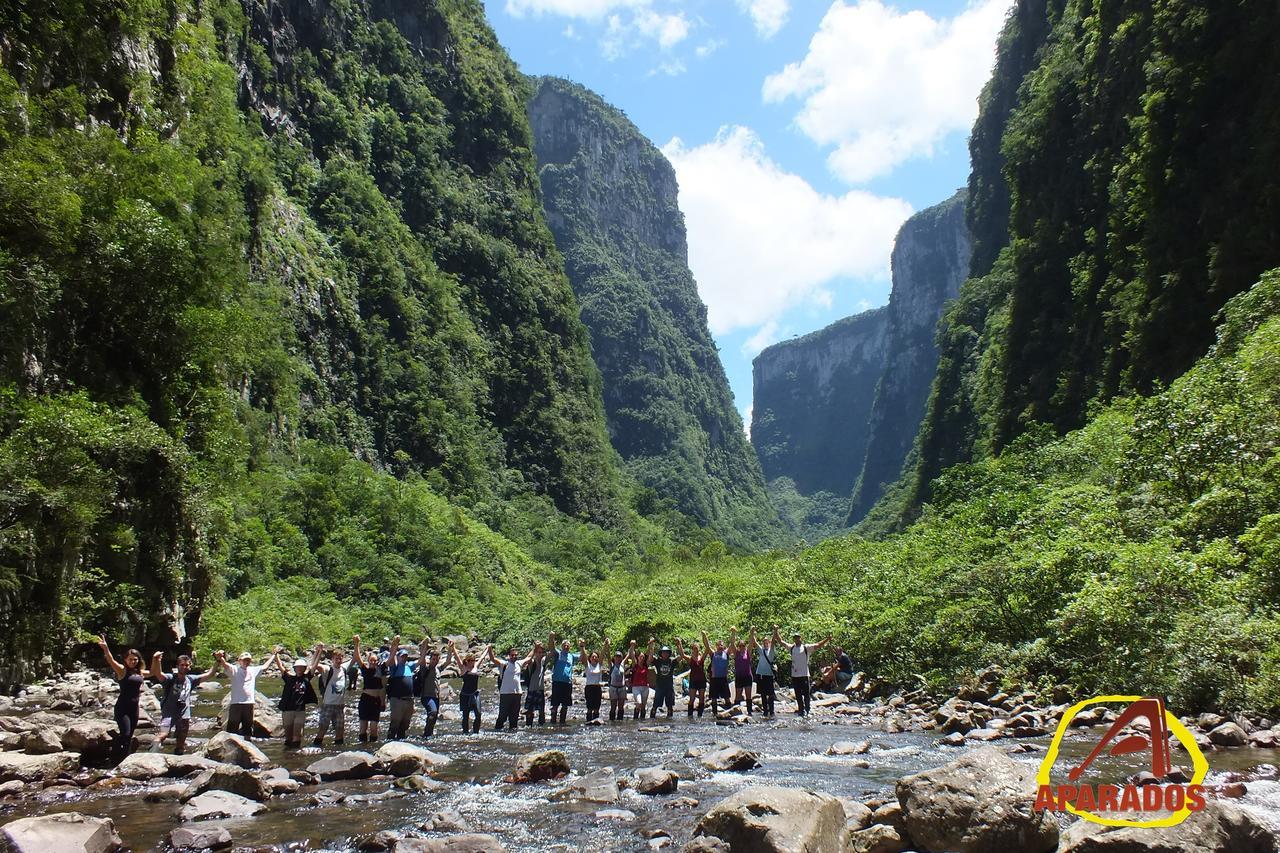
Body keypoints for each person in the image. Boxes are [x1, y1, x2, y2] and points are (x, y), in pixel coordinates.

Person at [150, 651, 219, 755]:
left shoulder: (191, 679)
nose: (184, 667)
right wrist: (156, 660)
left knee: (181, 740)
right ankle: (152, 752)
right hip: (168, 714)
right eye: (182, 665)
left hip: (184, 714)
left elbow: (210, 674)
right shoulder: (170, 678)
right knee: (163, 734)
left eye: (187, 665)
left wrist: (218, 661)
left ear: (190, 666)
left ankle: (179, 757)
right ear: (177, 666)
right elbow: (158, 674)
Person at [97, 636, 146, 760]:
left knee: (129, 737)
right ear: (125, 660)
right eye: (130, 659)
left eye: (135, 659)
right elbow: (111, 660)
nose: (133, 662)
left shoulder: (140, 672)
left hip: (134, 708)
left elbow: (155, 672)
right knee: (126, 733)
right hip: (122, 708)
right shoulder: (122, 670)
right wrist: (106, 648)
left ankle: (125, 758)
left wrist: (157, 659)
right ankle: (114, 756)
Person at [273, 645, 321, 748]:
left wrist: (319, 652)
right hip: (287, 710)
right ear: (295, 668)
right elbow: (280, 666)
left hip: (300, 711)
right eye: (298, 667)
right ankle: (288, 756)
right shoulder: (289, 678)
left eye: (302, 667)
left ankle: (295, 756)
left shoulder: (306, 678)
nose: (299, 669)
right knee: (288, 738)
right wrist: (275, 654)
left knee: (297, 736)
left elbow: (314, 665)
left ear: (304, 669)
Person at [314, 642, 359, 746]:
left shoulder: (343, 668)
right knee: (322, 730)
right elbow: (315, 666)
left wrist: (356, 643)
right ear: (332, 659)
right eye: (336, 659)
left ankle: (338, 751)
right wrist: (318, 652)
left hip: (339, 706)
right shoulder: (327, 669)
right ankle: (315, 747)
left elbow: (355, 657)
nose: (338, 661)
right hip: (328, 705)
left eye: (340, 658)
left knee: (340, 731)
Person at [216, 649, 267, 738]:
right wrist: (219, 656)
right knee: (232, 728)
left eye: (248, 660)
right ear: (239, 661)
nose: (246, 662)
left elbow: (265, 666)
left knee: (248, 727)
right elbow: (224, 664)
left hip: (249, 703)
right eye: (244, 660)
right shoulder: (234, 670)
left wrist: (274, 655)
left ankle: (248, 743)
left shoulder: (253, 670)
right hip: (236, 703)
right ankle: (230, 744)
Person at [385, 635, 427, 740]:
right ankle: (390, 741)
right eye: (402, 656)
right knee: (395, 723)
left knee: (405, 724)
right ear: (398, 657)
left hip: (409, 700)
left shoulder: (410, 666)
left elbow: (421, 660)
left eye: (405, 656)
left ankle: (401, 741)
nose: (404, 658)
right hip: (397, 700)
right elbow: (391, 656)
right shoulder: (394, 667)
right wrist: (395, 644)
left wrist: (424, 646)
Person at [788, 629, 832, 717]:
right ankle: (801, 710)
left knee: (806, 694)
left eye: (798, 637)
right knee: (798, 694)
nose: (796, 639)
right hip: (795, 675)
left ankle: (807, 710)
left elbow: (818, 645)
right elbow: (781, 642)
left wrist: (827, 639)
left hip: (804, 675)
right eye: (795, 638)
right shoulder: (792, 648)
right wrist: (776, 631)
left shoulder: (806, 648)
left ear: (801, 638)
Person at [353, 635, 386, 743]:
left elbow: (390, 659)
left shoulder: (380, 671)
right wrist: (356, 643)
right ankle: (363, 746)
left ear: (377, 661)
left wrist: (394, 645)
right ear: (368, 661)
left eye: (375, 661)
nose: (373, 662)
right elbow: (357, 658)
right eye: (371, 660)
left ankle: (372, 748)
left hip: (376, 701)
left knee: (374, 727)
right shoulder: (365, 670)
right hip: (365, 700)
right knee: (363, 726)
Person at [490, 645, 528, 731]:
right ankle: (497, 731)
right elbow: (492, 659)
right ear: (509, 656)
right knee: (502, 716)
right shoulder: (504, 664)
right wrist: (489, 649)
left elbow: (528, 658)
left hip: (517, 694)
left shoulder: (519, 664)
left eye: (516, 655)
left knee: (514, 718)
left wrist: (535, 648)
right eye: (512, 655)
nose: (514, 656)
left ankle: (513, 734)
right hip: (505, 694)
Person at [547, 632, 582, 725]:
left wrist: (582, 646)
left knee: (565, 705)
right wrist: (551, 637)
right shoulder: (557, 653)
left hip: (567, 684)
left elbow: (582, 656)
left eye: (568, 645)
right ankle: (553, 721)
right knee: (555, 704)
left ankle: (562, 722)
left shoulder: (572, 656)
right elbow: (551, 647)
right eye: (564, 645)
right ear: (562, 646)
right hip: (557, 683)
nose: (566, 646)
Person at [416, 642, 449, 738]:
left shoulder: (438, 669)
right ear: (430, 659)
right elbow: (421, 659)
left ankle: (428, 735)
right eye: (433, 659)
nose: (434, 661)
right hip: (426, 696)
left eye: (436, 659)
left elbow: (448, 661)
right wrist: (424, 647)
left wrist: (451, 649)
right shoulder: (425, 668)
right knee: (433, 712)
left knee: (433, 717)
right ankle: (426, 734)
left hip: (436, 697)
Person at [456, 641, 486, 734]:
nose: (473, 662)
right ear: (467, 661)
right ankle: (465, 733)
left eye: (473, 660)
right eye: (471, 661)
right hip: (465, 694)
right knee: (466, 715)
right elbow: (457, 657)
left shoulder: (475, 667)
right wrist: (452, 648)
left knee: (478, 714)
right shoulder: (463, 668)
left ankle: (475, 732)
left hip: (475, 694)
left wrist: (487, 649)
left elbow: (482, 658)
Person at [675, 638, 706, 717]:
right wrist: (679, 644)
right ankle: (690, 716)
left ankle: (700, 715)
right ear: (692, 650)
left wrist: (704, 637)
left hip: (702, 680)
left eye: (697, 648)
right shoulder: (690, 659)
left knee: (702, 698)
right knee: (692, 699)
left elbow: (707, 649)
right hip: (693, 681)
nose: (696, 650)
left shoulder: (701, 658)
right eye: (695, 648)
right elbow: (682, 654)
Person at [703, 630, 732, 715]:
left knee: (727, 697)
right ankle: (715, 714)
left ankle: (730, 712)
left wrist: (733, 632)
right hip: (714, 679)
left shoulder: (726, 653)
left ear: (723, 646)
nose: (720, 646)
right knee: (714, 698)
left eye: (721, 645)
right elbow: (706, 646)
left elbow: (732, 644)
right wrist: (704, 635)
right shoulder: (713, 654)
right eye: (719, 645)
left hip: (723, 679)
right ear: (716, 646)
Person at [523, 640, 549, 727]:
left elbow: (552, 653)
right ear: (536, 653)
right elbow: (526, 660)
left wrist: (551, 639)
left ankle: (542, 727)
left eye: (542, 652)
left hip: (540, 691)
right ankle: (528, 726)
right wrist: (535, 648)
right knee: (530, 711)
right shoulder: (532, 662)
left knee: (542, 711)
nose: (540, 654)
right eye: (539, 652)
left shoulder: (543, 661)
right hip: (532, 690)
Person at [754, 626, 779, 717]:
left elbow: (773, 641)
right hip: (761, 675)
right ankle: (765, 711)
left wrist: (775, 631)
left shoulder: (771, 651)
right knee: (763, 694)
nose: (765, 643)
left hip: (769, 675)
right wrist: (753, 633)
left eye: (767, 642)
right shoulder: (761, 651)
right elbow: (755, 643)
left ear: (768, 643)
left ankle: (771, 711)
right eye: (764, 642)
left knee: (771, 694)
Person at [629, 638, 654, 720]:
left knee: (643, 706)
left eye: (643, 657)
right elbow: (632, 655)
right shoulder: (635, 664)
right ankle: (635, 719)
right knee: (639, 704)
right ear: (638, 657)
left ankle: (642, 721)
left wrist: (651, 645)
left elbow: (651, 656)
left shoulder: (646, 665)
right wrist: (632, 646)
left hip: (645, 687)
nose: (642, 658)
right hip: (636, 687)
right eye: (641, 656)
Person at [731, 627, 754, 715]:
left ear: (745, 646)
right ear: (738, 647)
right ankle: (737, 712)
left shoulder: (747, 653)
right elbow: (732, 643)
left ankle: (749, 712)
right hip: (739, 677)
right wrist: (733, 633)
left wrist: (752, 632)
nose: (742, 647)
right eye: (740, 646)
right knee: (738, 695)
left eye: (743, 646)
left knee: (748, 695)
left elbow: (751, 642)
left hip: (747, 676)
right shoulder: (736, 653)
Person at [651, 644, 678, 719]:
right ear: (661, 654)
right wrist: (651, 646)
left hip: (669, 686)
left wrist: (679, 645)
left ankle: (670, 720)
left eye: (666, 652)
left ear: (669, 654)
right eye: (663, 652)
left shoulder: (671, 661)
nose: (665, 654)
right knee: (655, 705)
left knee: (670, 706)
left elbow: (681, 656)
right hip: (660, 686)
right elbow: (650, 657)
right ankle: (651, 719)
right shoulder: (658, 661)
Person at [583, 640, 607, 723]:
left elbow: (602, 655)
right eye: (592, 656)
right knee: (589, 708)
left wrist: (605, 645)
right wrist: (582, 647)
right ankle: (588, 722)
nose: (594, 658)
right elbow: (584, 656)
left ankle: (596, 722)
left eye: (595, 656)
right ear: (590, 658)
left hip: (597, 688)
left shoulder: (599, 665)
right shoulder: (587, 665)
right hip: (589, 688)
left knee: (596, 709)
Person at [606, 640, 630, 721]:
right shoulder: (611, 666)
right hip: (613, 688)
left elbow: (629, 654)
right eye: (616, 656)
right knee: (613, 706)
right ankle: (612, 721)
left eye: (619, 656)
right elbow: (608, 656)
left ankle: (620, 721)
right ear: (614, 657)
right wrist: (608, 647)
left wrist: (632, 646)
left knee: (621, 707)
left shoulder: (622, 665)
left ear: (621, 658)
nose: (618, 658)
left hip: (622, 688)